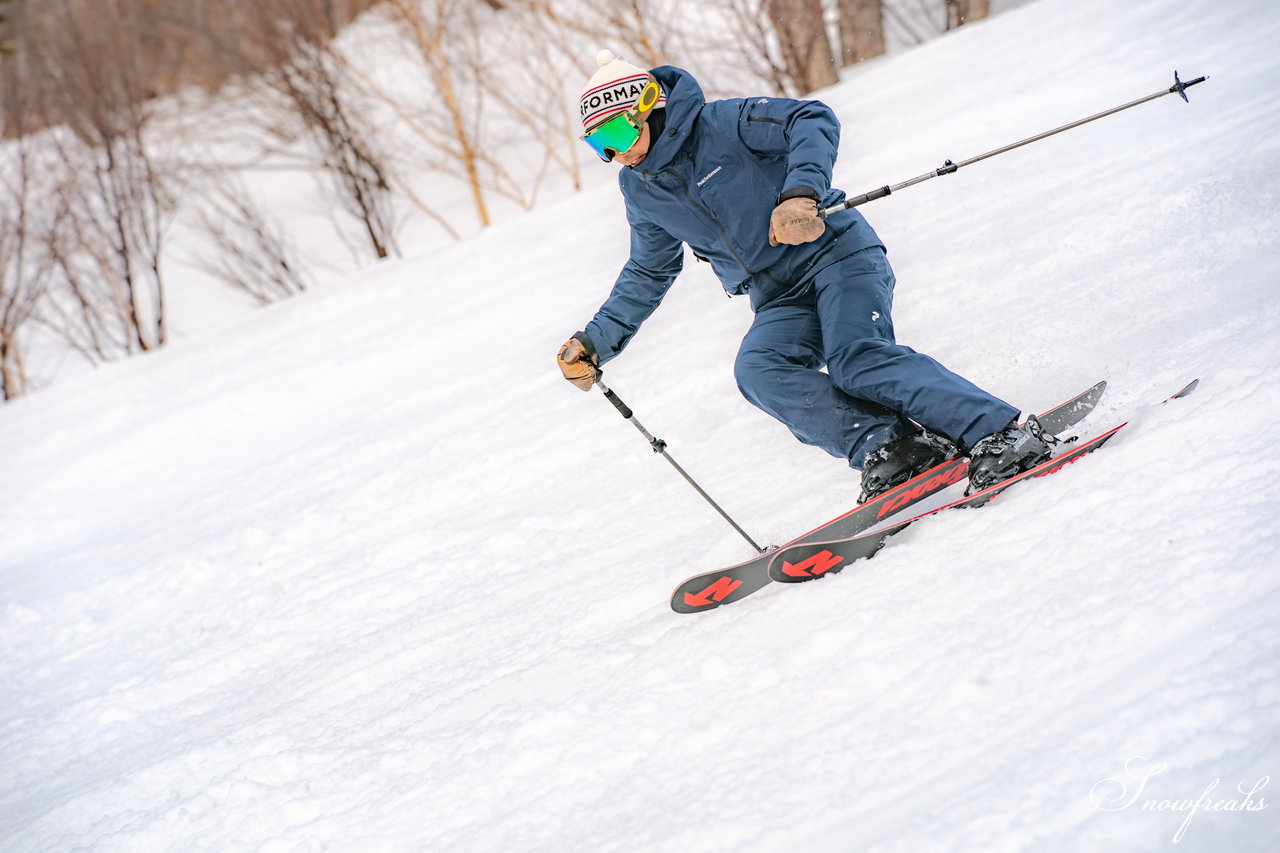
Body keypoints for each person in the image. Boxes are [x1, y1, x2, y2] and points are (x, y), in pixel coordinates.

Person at [557, 50, 1055, 499]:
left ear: (649, 106)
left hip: (836, 254)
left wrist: (800, 194)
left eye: (619, 134)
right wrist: (597, 340)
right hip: (776, 296)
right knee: (758, 370)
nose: (616, 154)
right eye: (601, 145)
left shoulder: (723, 123)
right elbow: (649, 267)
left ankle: (1001, 431)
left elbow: (809, 117)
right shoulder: (641, 188)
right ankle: (893, 446)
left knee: (856, 360)